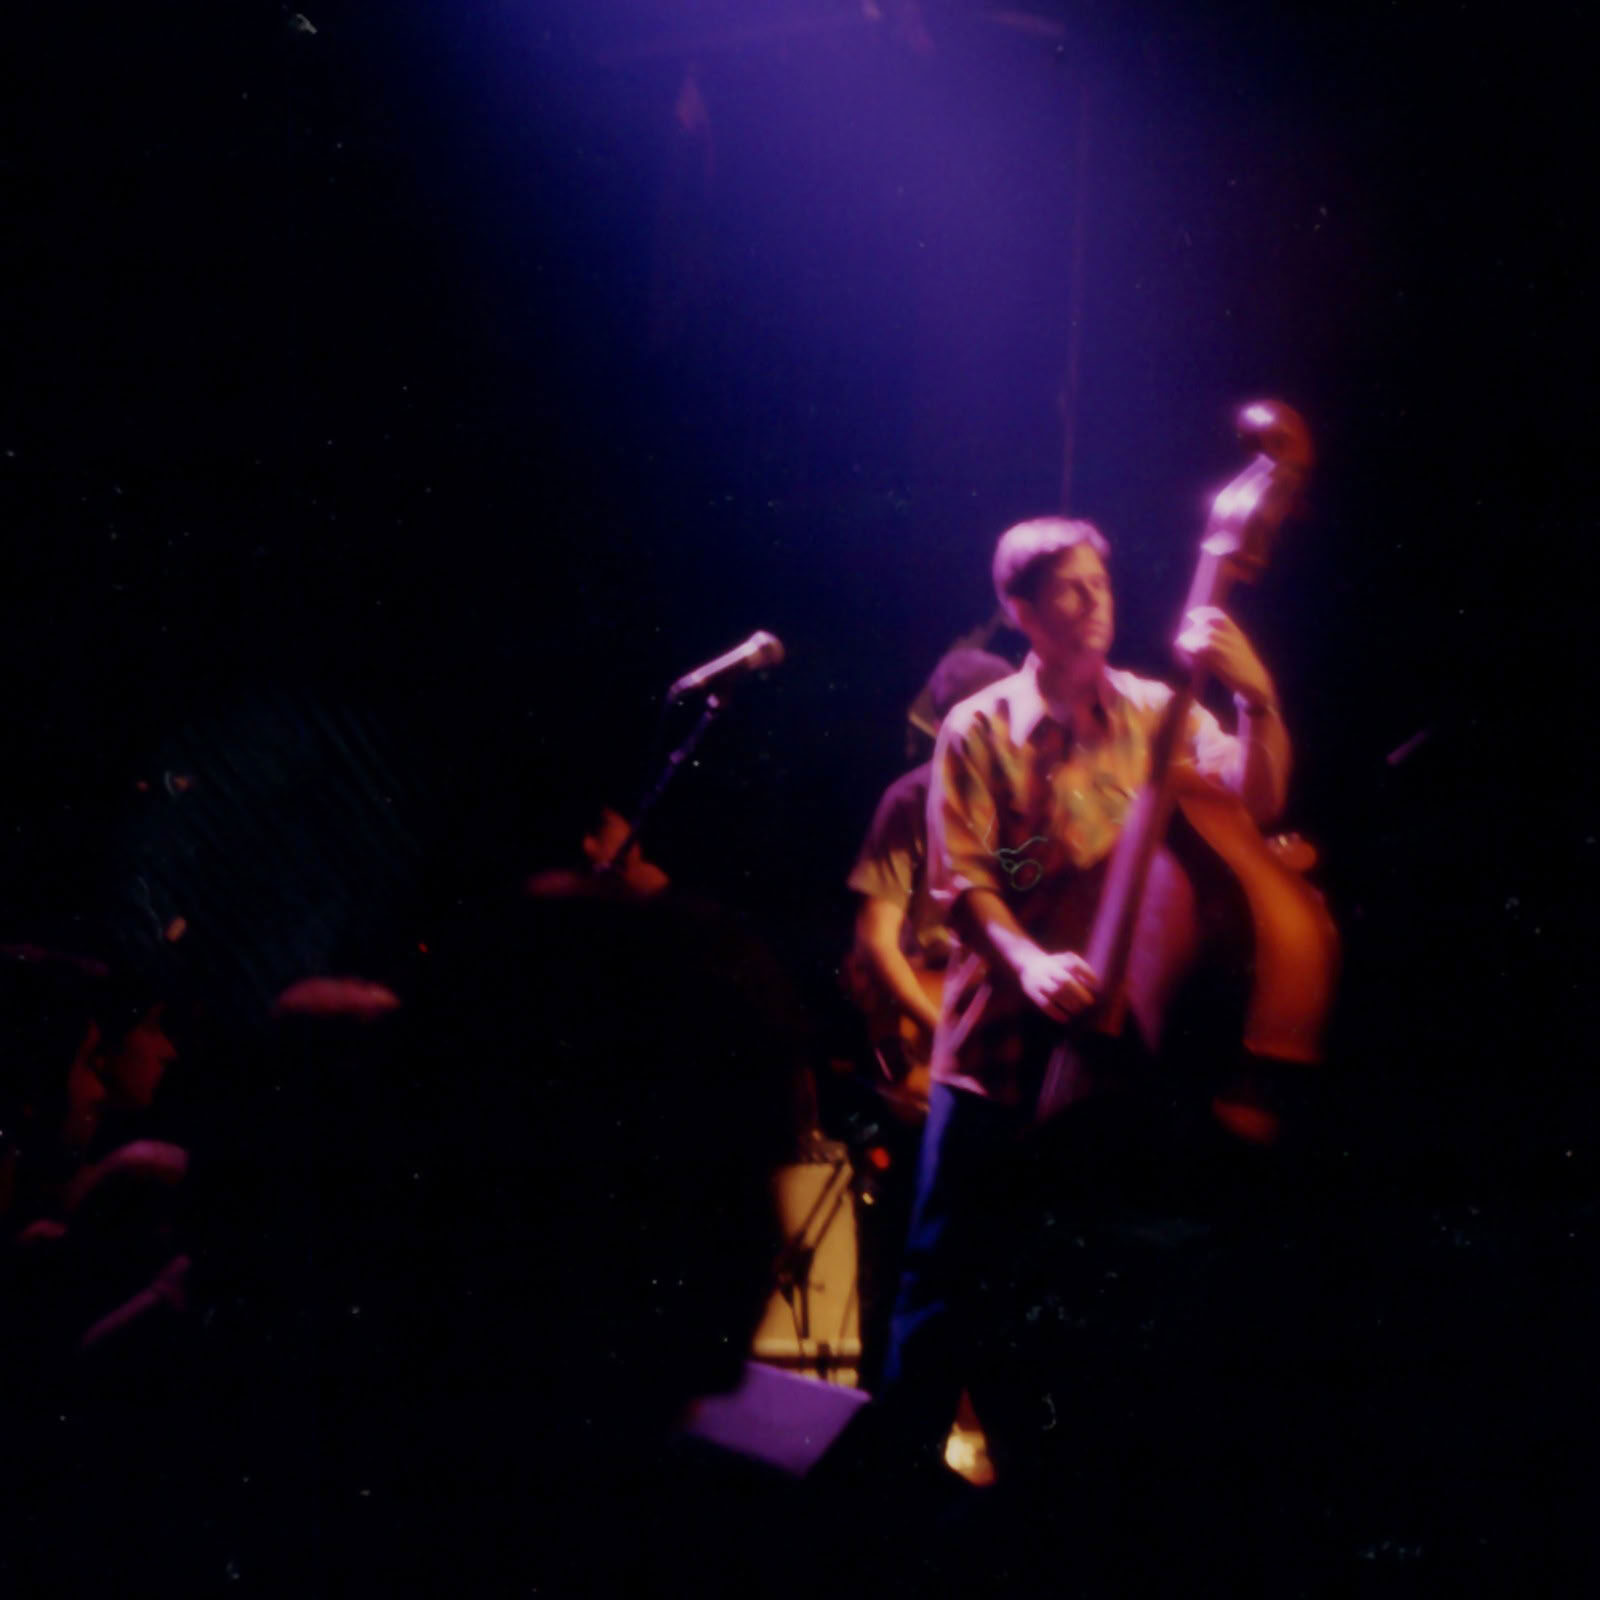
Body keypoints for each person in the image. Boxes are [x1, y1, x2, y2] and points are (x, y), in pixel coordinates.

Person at [878, 515, 1291, 1470]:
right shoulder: (980, 727)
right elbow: (959, 884)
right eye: (1071, 587)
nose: (1096, 601)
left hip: (1113, 1067)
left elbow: (1259, 802)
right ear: (1022, 609)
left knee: (1075, 1301)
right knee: (944, 1292)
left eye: (1101, 583)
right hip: (998, 1058)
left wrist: (1257, 700)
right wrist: (1029, 962)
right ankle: (892, 1494)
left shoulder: (1158, 712)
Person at [846, 648, 1015, 1110]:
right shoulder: (909, 800)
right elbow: (877, 940)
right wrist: (938, 1028)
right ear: (943, 728)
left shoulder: (1023, 800)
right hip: (926, 1009)